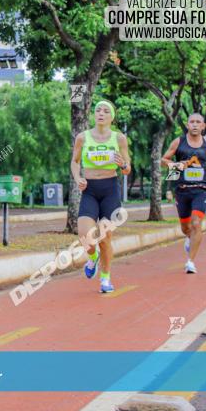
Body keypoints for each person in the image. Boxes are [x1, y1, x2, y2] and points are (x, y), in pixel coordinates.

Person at [70, 100, 131, 293]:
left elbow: (128, 169)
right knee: (84, 236)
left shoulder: (119, 138)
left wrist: (122, 165)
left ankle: (105, 279)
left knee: (105, 239)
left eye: (106, 111)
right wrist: (78, 177)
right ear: (93, 115)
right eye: (98, 110)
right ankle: (92, 256)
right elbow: (75, 161)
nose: (101, 113)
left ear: (112, 117)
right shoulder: (82, 137)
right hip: (89, 189)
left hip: (110, 189)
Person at [161, 113, 206, 274]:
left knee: (196, 223)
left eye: (198, 122)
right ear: (188, 125)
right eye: (192, 122)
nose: (195, 125)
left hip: (201, 189)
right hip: (182, 189)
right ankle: (189, 237)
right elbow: (163, 160)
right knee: (185, 227)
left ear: (203, 126)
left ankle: (191, 261)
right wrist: (176, 164)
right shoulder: (178, 142)